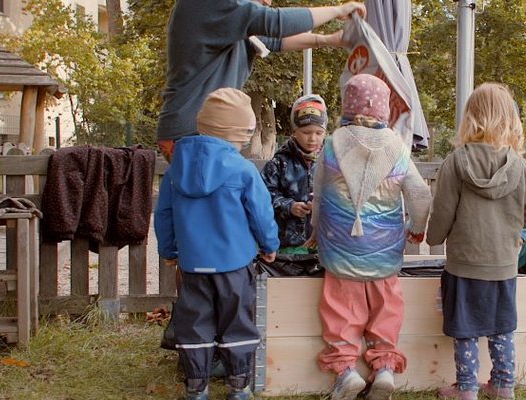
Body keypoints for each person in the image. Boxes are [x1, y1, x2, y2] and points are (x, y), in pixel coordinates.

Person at [308, 74, 431, 400]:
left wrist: (315, 231)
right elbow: (420, 195)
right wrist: (416, 229)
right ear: (384, 108)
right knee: (387, 308)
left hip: (340, 248)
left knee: (340, 311)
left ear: (347, 104)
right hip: (384, 250)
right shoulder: (397, 146)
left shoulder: (333, 144)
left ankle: (346, 371)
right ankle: (385, 368)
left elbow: (318, 194)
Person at [154, 88, 280, 400]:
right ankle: (239, 385)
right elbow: (261, 213)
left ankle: (197, 387)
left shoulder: (175, 170)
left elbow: (164, 214)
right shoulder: (242, 169)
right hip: (234, 265)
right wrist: (269, 243)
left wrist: (169, 251)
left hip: (193, 265)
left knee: (195, 323)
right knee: (237, 321)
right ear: (239, 133)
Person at [426, 83, 526, 400]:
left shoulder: (456, 162)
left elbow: (442, 213)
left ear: (470, 118)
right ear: (510, 120)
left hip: (463, 266)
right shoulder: (520, 167)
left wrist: (432, 237)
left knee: (465, 329)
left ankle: (466, 389)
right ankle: (503, 385)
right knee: (501, 327)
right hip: (503, 266)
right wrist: (517, 231)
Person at [157, 0, 367, 161]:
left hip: (204, 132)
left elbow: (272, 40)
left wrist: (331, 40)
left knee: (204, 211)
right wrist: (339, 10)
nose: (268, 2)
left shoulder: (227, 19)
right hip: (192, 133)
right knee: (211, 211)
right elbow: (273, 23)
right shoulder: (210, 5)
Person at [261, 94, 328, 254]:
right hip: (288, 244)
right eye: (306, 132)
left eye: (319, 133)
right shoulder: (279, 163)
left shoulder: (332, 162)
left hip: (324, 241)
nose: (312, 138)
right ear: (294, 131)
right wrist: (288, 206)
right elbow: (263, 195)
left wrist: (322, 205)